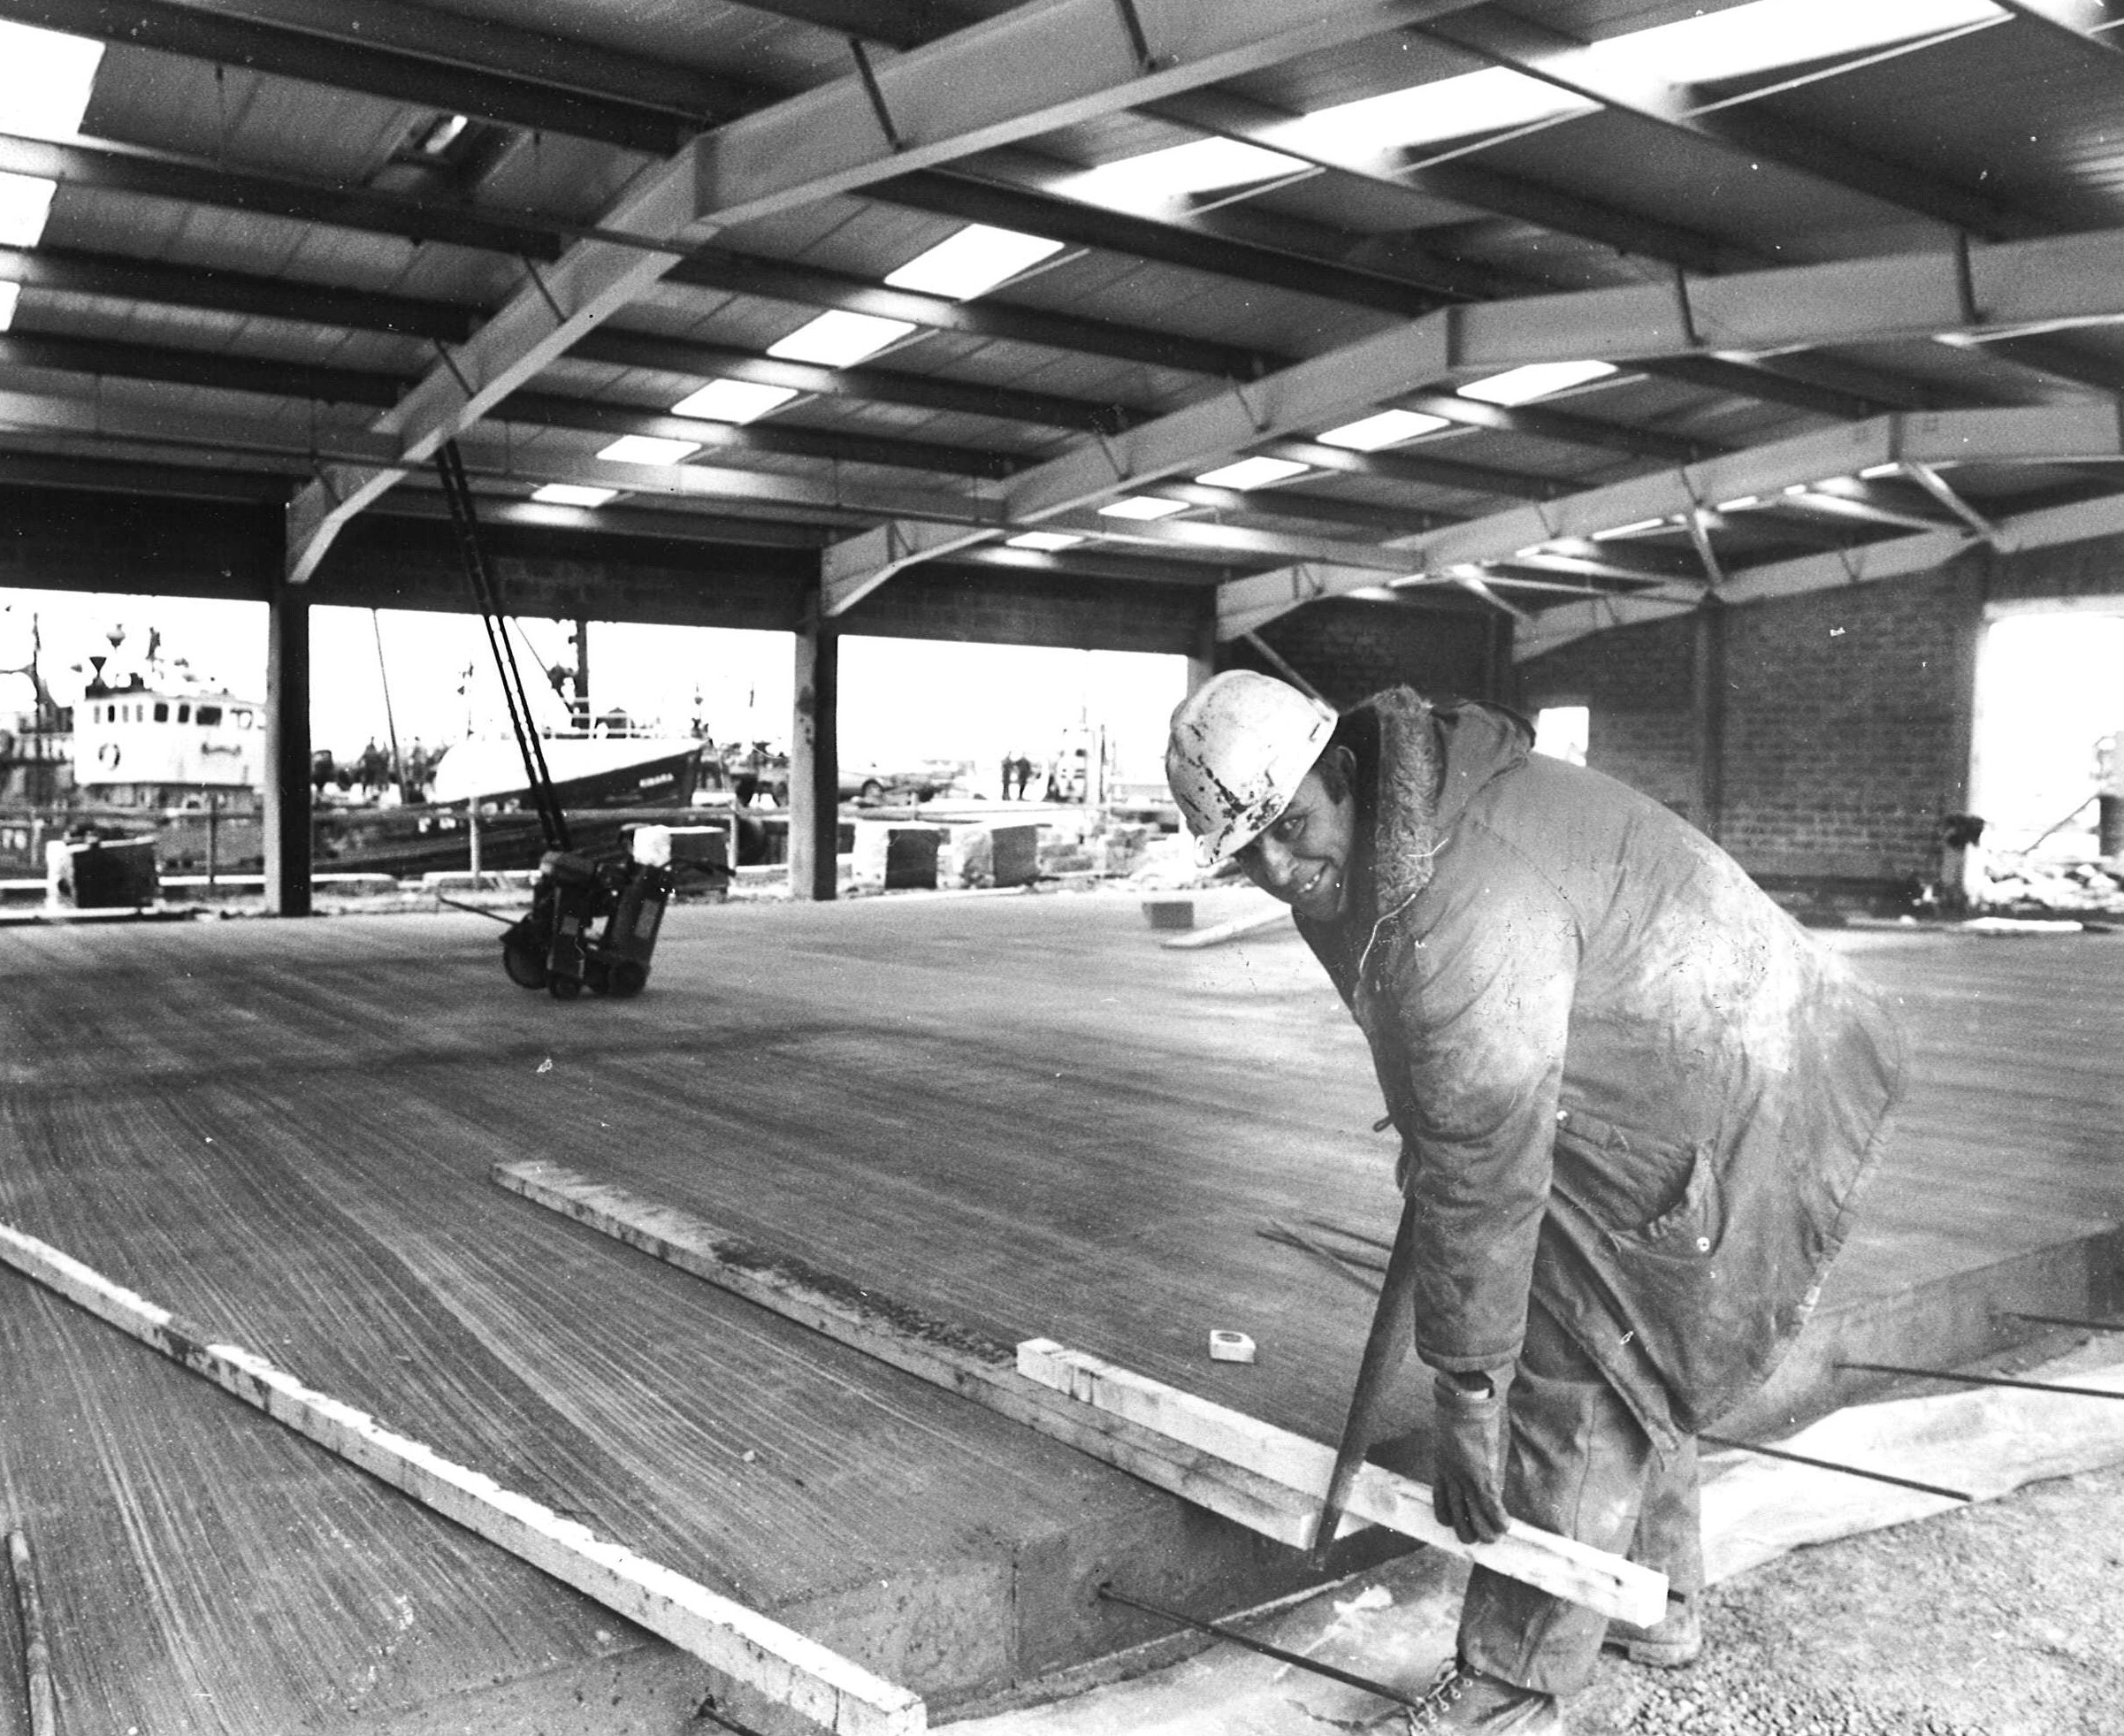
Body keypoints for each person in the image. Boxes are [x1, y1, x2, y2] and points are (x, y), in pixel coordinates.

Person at [1165, 672, 1906, 1732]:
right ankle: (1655, 1601)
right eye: (1248, 854)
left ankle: (1514, 1681)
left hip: (1727, 1079)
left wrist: (1468, 1394)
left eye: (1288, 828)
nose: (1279, 870)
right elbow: (1440, 1083)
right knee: (1627, 1337)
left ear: (1339, 770)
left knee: (1571, 1349)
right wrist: (1436, 1141)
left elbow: (1484, 1154)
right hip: (1665, 1048)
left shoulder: (1464, 892)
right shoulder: (1381, 835)